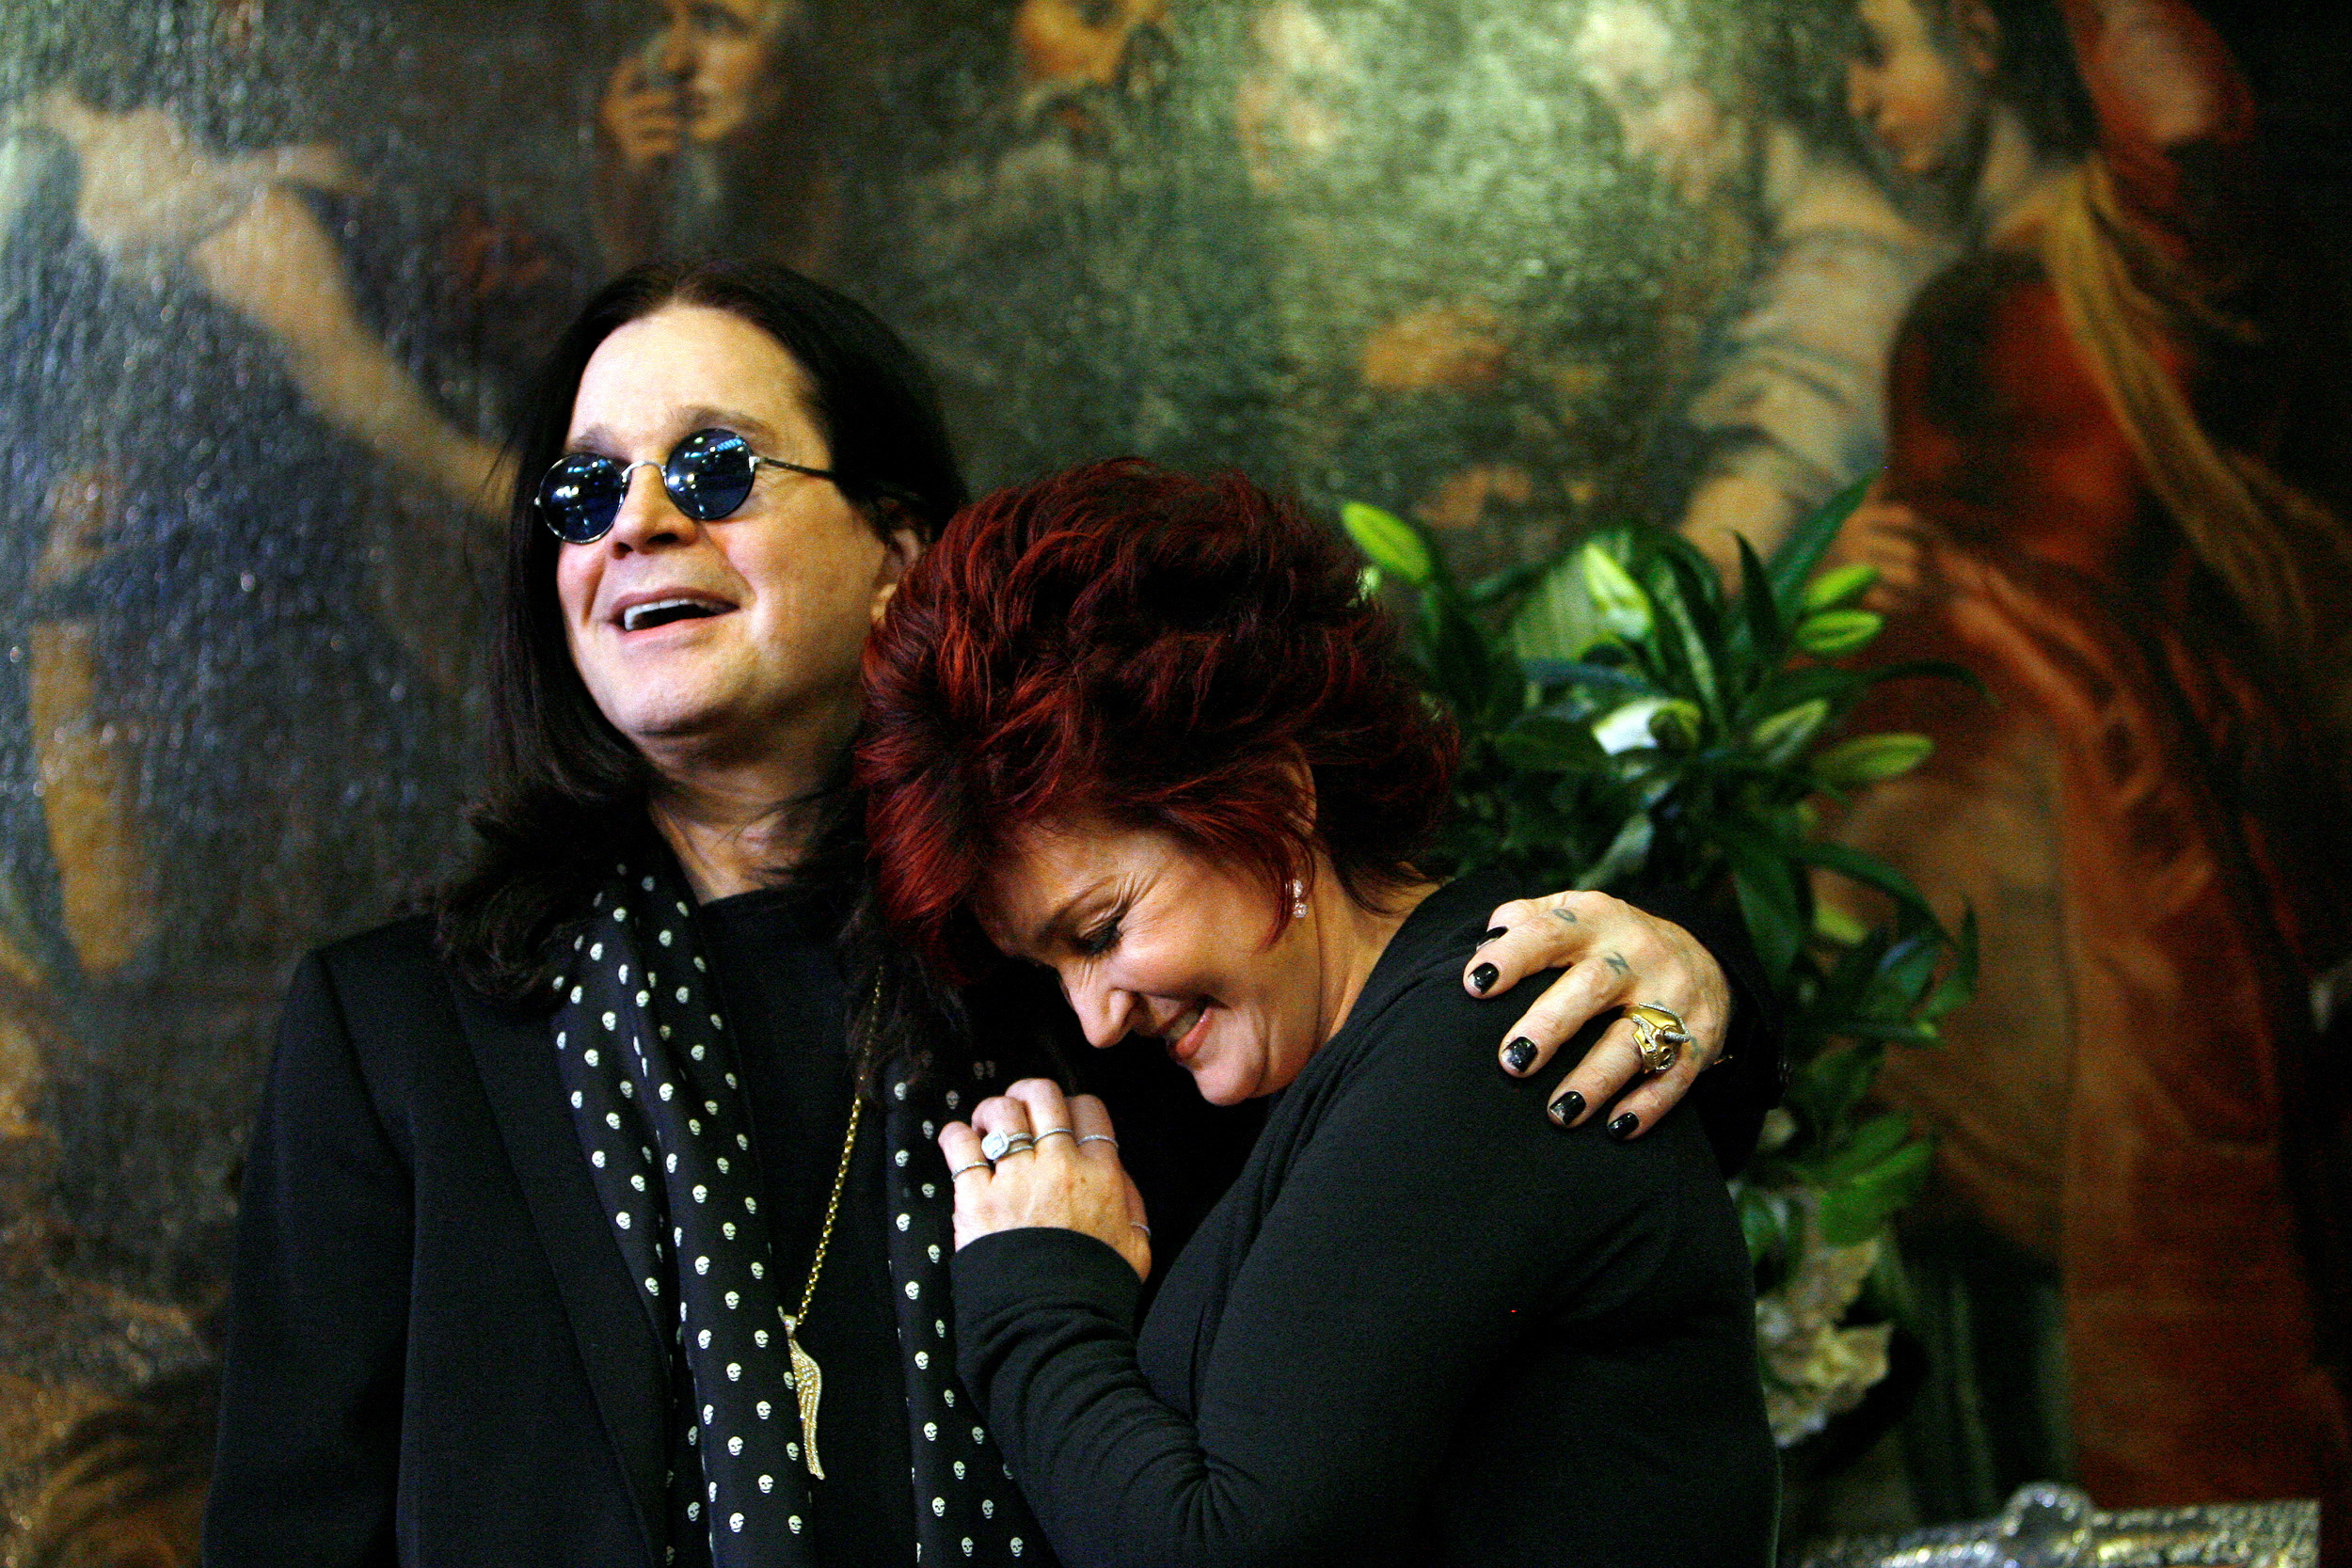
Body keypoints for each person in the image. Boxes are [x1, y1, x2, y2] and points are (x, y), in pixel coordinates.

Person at [202, 259, 1775, 1567]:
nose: (634, 522)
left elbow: (1463, 1083)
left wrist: (1693, 969)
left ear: (898, 550)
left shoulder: (1088, 967)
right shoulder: (396, 1027)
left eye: (712, 469)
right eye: (582, 485)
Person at [855, 459, 1779, 1566]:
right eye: (1050, 966)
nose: (1094, 1016)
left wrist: (1030, 1303)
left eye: (1099, 929)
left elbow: (1223, 1548)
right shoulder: (1390, 1050)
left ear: (1272, 804)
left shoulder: (1478, 1045)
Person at [1819, 0, 2352, 1519]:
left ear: (1987, 40)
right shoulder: (1975, 279)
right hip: (1952, 914)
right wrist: (1864, 568)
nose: (1865, 98)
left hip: (2136, 881)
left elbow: (2192, 125)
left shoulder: (2144, 251)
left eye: (1885, 48)